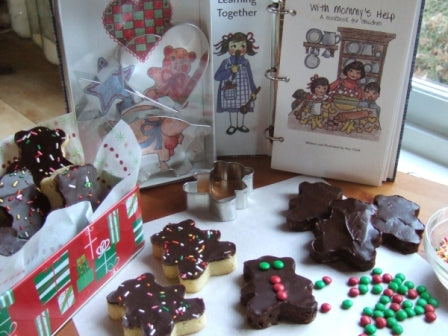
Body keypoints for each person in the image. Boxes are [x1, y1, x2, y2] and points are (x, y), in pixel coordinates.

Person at [214, 32, 259, 134]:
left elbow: (250, 78)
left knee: (243, 108)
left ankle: (241, 124)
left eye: (242, 46)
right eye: (234, 46)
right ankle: (233, 125)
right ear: (228, 47)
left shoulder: (246, 62)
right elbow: (217, 77)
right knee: (232, 109)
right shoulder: (226, 62)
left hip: (244, 90)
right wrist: (230, 71)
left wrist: (253, 91)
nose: (238, 49)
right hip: (230, 89)